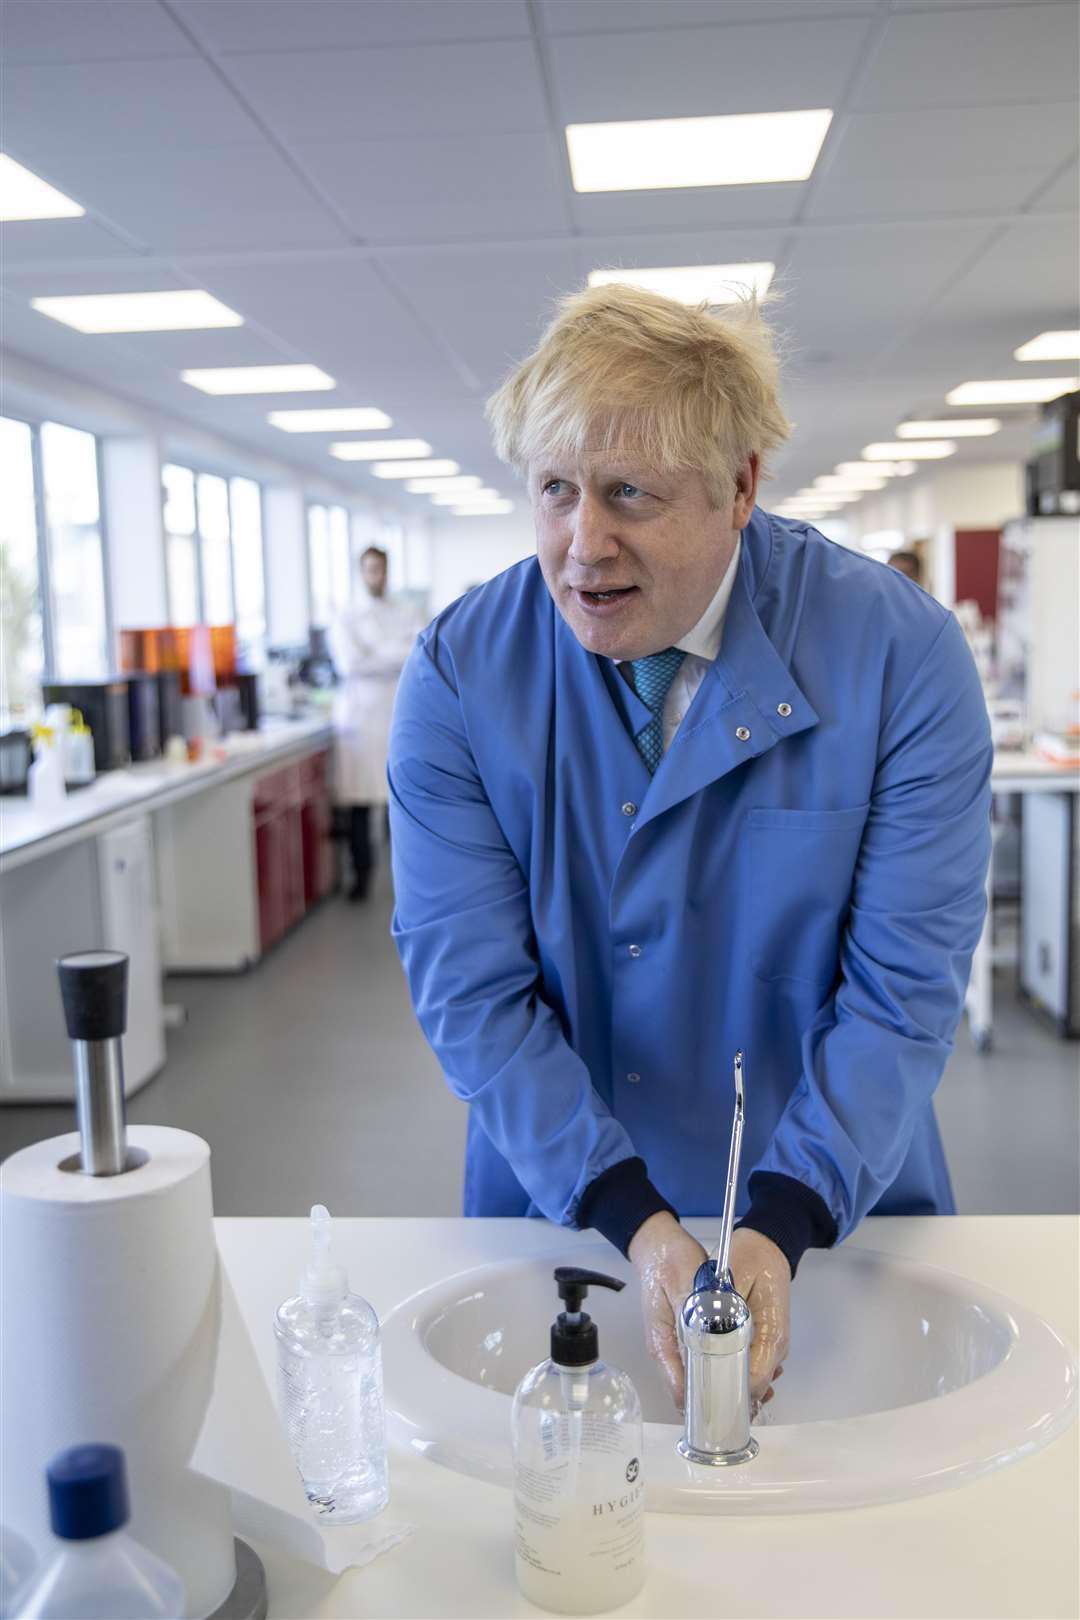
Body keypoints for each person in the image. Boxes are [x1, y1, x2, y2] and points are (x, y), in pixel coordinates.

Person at [388, 284, 992, 1416]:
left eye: (631, 494)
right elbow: (469, 990)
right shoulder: (463, 672)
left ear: (743, 487)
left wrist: (785, 1216)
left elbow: (903, 991)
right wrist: (632, 1214)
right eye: (555, 491)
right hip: (563, 1204)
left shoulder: (899, 658)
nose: (583, 545)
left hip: (835, 1205)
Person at [328, 546, 419, 901]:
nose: (375, 576)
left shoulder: (405, 611)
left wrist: (375, 655)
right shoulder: (346, 615)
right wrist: (392, 654)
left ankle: (408, 881)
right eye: (369, 569)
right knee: (360, 805)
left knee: (401, 800)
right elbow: (350, 664)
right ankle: (361, 879)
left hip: (396, 710)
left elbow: (417, 650)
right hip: (361, 718)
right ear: (360, 572)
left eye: (380, 569)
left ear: (387, 571)